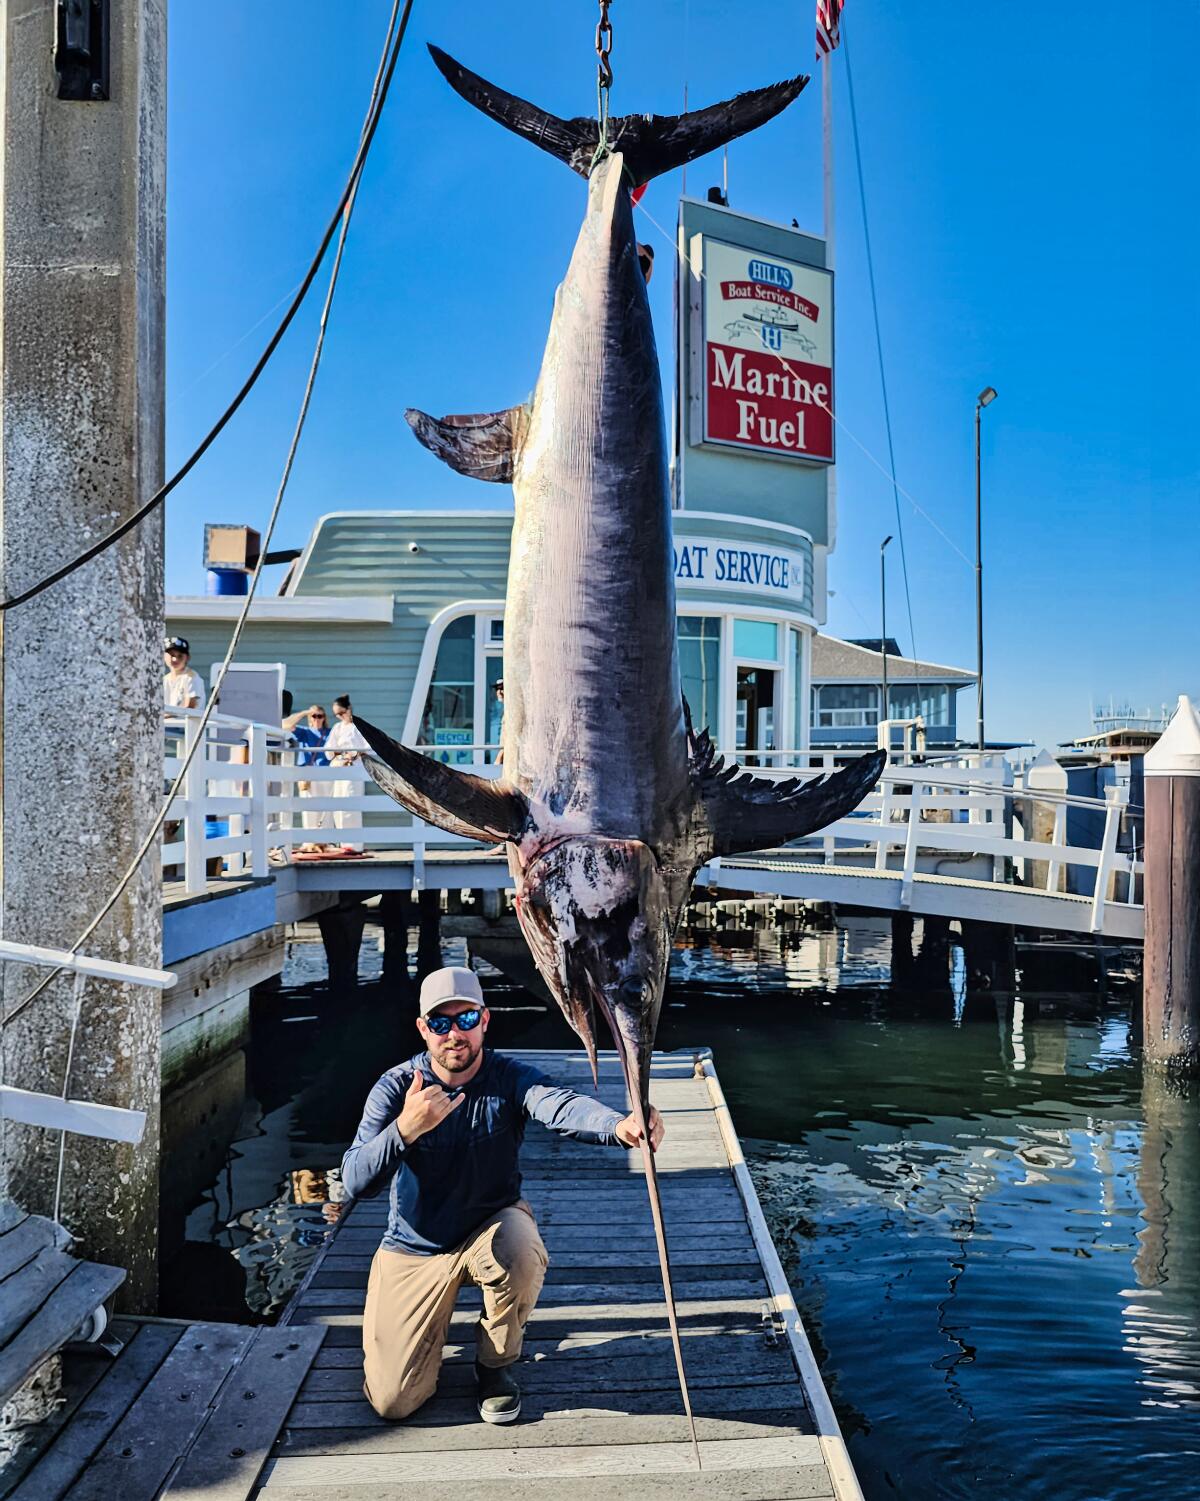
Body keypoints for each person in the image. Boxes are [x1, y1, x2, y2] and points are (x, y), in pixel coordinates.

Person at [341, 966, 664, 1425]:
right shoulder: (396, 1087)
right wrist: (405, 1129)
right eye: (440, 1023)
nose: (455, 1034)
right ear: (422, 1029)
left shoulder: (508, 1076)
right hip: (415, 1245)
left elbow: (559, 1104)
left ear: (485, 1020)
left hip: (490, 1223)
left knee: (521, 1248)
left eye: (467, 1019)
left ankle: (494, 1364)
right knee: (394, 1402)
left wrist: (620, 1125)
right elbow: (355, 1180)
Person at [283, 700, 334, 851]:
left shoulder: (330, 732)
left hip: (326, 771)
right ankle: (310, 841)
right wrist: (305, 712)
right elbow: (285, 725)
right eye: (314, 716)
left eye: (320, 716)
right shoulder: (304, 731)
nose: (317, 719)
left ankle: (325, 842)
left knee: (327, 808)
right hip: (307, 772)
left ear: (324, 717)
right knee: (309, 808)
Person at [326, 694, 368, 853]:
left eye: (341, 713)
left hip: (354, 769)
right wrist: (340, 755)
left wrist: (355, 754)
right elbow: (329, 749)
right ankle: (343, 843)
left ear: (349, 709)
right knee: (339, 806)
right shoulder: (338, 727)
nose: (339, 716)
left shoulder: (359, 726)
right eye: (336, 714)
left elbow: (367, 747)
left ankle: (355, 844)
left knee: (352, 805)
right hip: (340, 768)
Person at [163, 636, 205, 710]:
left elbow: (189, 709)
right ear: (164, 656)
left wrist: (164, 716)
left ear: (188, 657)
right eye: (172, 655)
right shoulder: (164, 679)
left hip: (185, 721)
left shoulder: (191, 677)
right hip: (167, 721)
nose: (175, 659)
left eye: (180, 656)